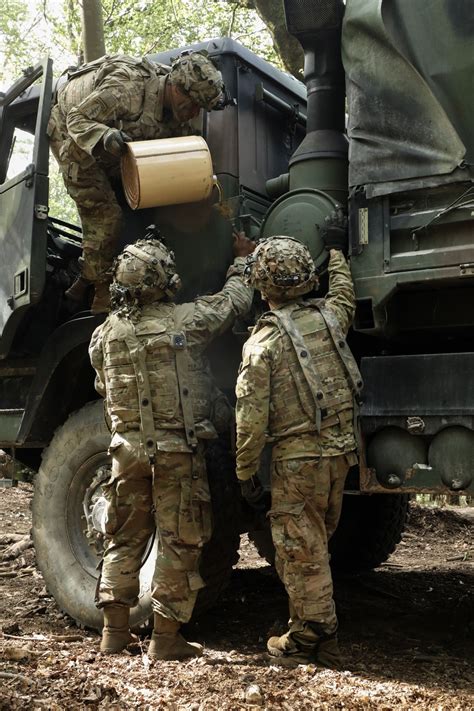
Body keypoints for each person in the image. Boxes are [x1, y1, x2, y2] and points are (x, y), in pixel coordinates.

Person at [89, 227, 255, 659]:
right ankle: (165, 639)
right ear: (163, 280)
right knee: (180, 539)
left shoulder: (104, 335)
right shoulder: (186, 322)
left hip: (125, 452)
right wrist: (241, 260)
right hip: (175, 453)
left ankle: (114, 633)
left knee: (123, 538)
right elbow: (234, 301)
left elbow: (101, 382)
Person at [234, 210, 363, 668]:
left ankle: (311, 638)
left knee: (298, 546)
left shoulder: (262, 345)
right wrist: (336, 250)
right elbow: (344, 293)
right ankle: (305, 624)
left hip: (298, 461)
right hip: (340, 453)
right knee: (315, 542)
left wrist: (246, 471)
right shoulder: (330, 317)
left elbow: (249, 420)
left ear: (262, 286)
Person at [48, 51, 225, 313]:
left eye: (201, 107)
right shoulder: (127, 87)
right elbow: (77, 119)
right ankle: (99, 292)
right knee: (107, 215)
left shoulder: (180, 113)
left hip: (115, 146)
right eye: (193, 104)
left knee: (144, 210)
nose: (195, 112)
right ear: (176, 88)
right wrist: (106, 136)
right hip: (73, 137)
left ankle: (89, 275)